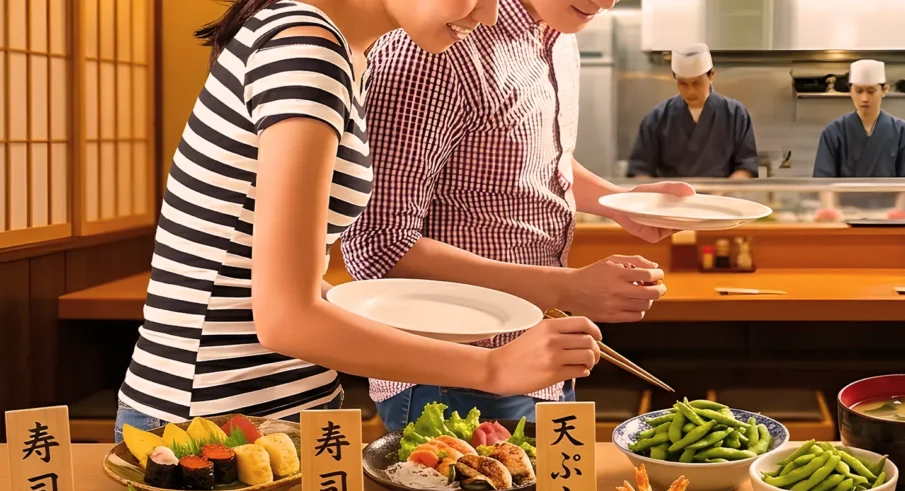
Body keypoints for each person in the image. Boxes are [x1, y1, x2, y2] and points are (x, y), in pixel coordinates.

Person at [113, 0, 604, 442]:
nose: (489, 15)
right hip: (210, 422)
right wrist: (493, 367)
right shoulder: (306, 51)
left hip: (277, 408)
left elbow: (255, 278)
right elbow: (284, 320)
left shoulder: (337, 50)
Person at [342, 0, 689, 432]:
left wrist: (618, 203)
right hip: (454, 372)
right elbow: (378, 246)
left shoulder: (560, 37)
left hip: (545, 354)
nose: (604, 1)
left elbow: (538, 165)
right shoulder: (431, 50)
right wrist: (568, 288)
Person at [627, 43, 759, 179]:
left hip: (720, 198)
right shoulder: (657, 117)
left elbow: (746, 167)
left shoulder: (736, 113)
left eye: (697, 83)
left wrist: (723, 191)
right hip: (671, 198)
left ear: (712, 75)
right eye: (683, 83)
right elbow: (640, 169)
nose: (690, 91)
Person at [812, 59, 905, 221]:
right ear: (850, 91)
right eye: (859, 90)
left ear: (884, 89)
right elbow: (824, 181)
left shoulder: (903, 131)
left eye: (871, 91)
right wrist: (831, 214)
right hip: (844, 215)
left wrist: (898, 214)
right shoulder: (833, 131)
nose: (864, 98)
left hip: (888, 215)